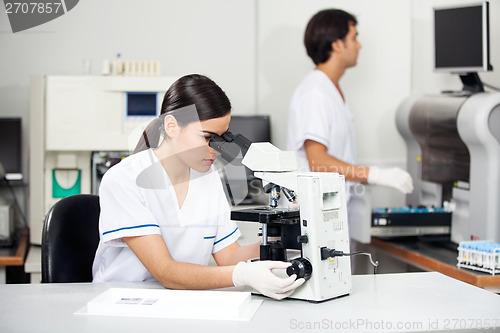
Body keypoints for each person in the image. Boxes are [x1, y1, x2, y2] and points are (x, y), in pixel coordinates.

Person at [92, 74, 304, 300]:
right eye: (207, 137)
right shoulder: (124, 179)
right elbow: (167, 272)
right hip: (123, 304)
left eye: (223, 138)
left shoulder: (208, 178)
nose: (217, 149)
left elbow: (230, 258)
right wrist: (241, 275)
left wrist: (281, 235)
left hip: (184, 301)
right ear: (172, 126)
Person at [287, 9, 413, 208]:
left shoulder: (331, 89)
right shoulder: (315, 93)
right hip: (315, 213)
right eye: (354, 38)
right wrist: (373, 174)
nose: (359, 45)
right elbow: (317, 162)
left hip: (333, 209)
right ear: (337, 44)